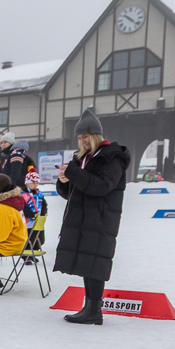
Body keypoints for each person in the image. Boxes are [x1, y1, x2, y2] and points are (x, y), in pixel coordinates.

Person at [54, 108, 129, 325]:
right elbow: (72, 194)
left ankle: (95, 310)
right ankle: (89, 307)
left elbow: (103, 186)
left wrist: (75, 173)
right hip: (84, 219)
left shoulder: (112, 158)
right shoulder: (83, 158)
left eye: (85, 137)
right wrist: (64, 181)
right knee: (88, 262)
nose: (82, 141)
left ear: (96, 135)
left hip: (101, 219)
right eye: (79, 138)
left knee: (96, 262)